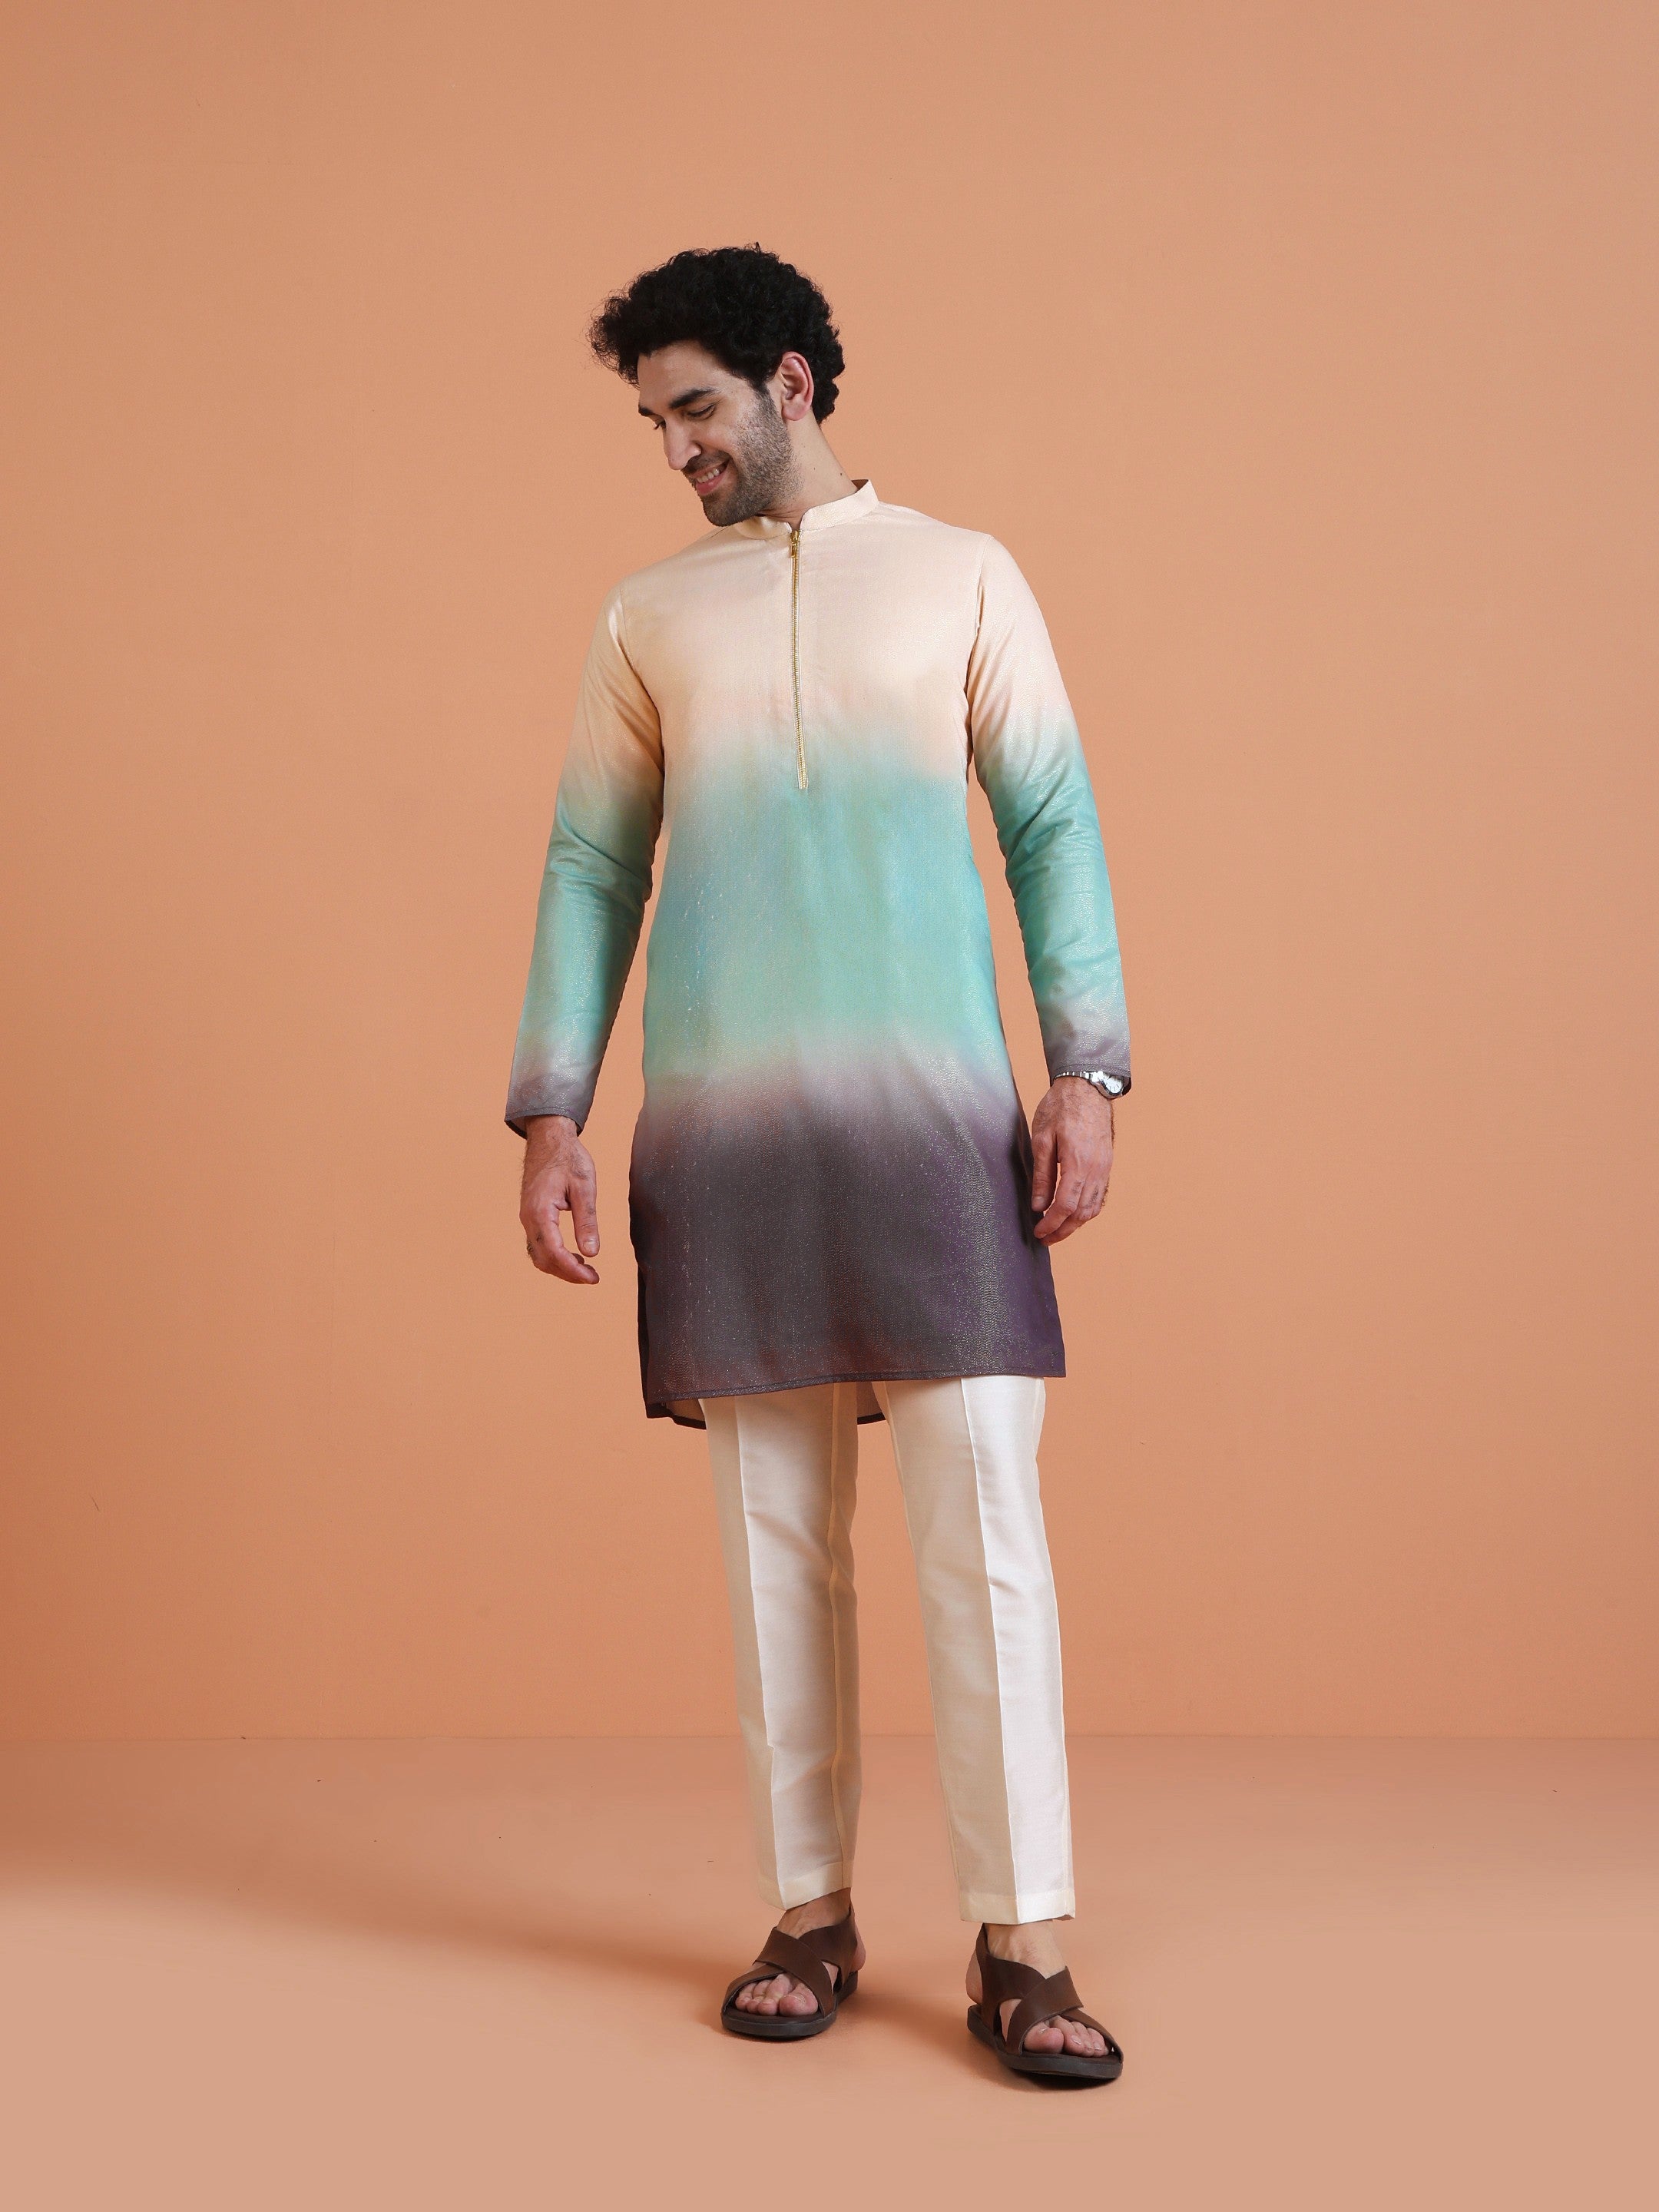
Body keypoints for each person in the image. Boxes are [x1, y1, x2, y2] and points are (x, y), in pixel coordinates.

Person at [507, 246, 1129, 2085]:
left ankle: (1025, 1939)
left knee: (983, 1530)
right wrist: (553, 1108)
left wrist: (1087, 1071)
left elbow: (1051, 820)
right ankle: (809, 1910)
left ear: (791, 382)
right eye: (652, 421)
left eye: (696, 408)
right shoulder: (649, 617)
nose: (674, 449)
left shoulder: (962, 575)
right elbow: (591, 864)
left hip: (938, 1120)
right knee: (775, 1537)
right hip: (730, 1129)